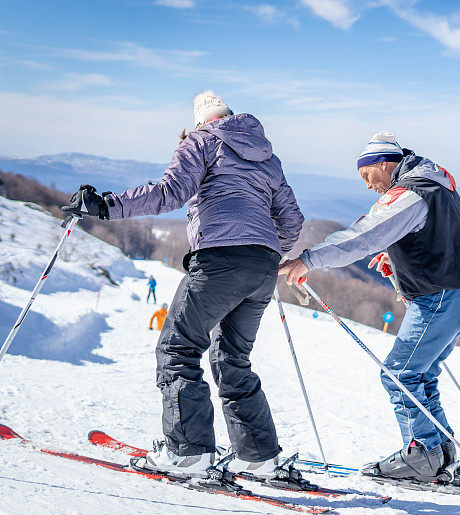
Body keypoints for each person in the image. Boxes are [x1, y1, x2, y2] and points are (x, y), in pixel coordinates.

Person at [62, 90, 305, 481]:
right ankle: (257, 457)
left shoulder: (203, 142)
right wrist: (264, 252)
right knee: (232, 359)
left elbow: (169, 192)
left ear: (199, 121)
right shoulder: (269, 158)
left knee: (178, 348)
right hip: (263, 267)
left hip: (220, 259)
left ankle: (188, 453)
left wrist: (106, 205)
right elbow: (292, 220)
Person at [280, 132, 460, 483]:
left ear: (382, 164)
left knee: (399, 374)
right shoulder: (434, 181)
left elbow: (365, 235)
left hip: (439, 297)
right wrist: (400, 257)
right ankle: (441, 450)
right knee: (420, 374)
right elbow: (438, 235)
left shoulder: (409, 193)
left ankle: (422, 453)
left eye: (367, 176)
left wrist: (309, 259)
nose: (368, 186)